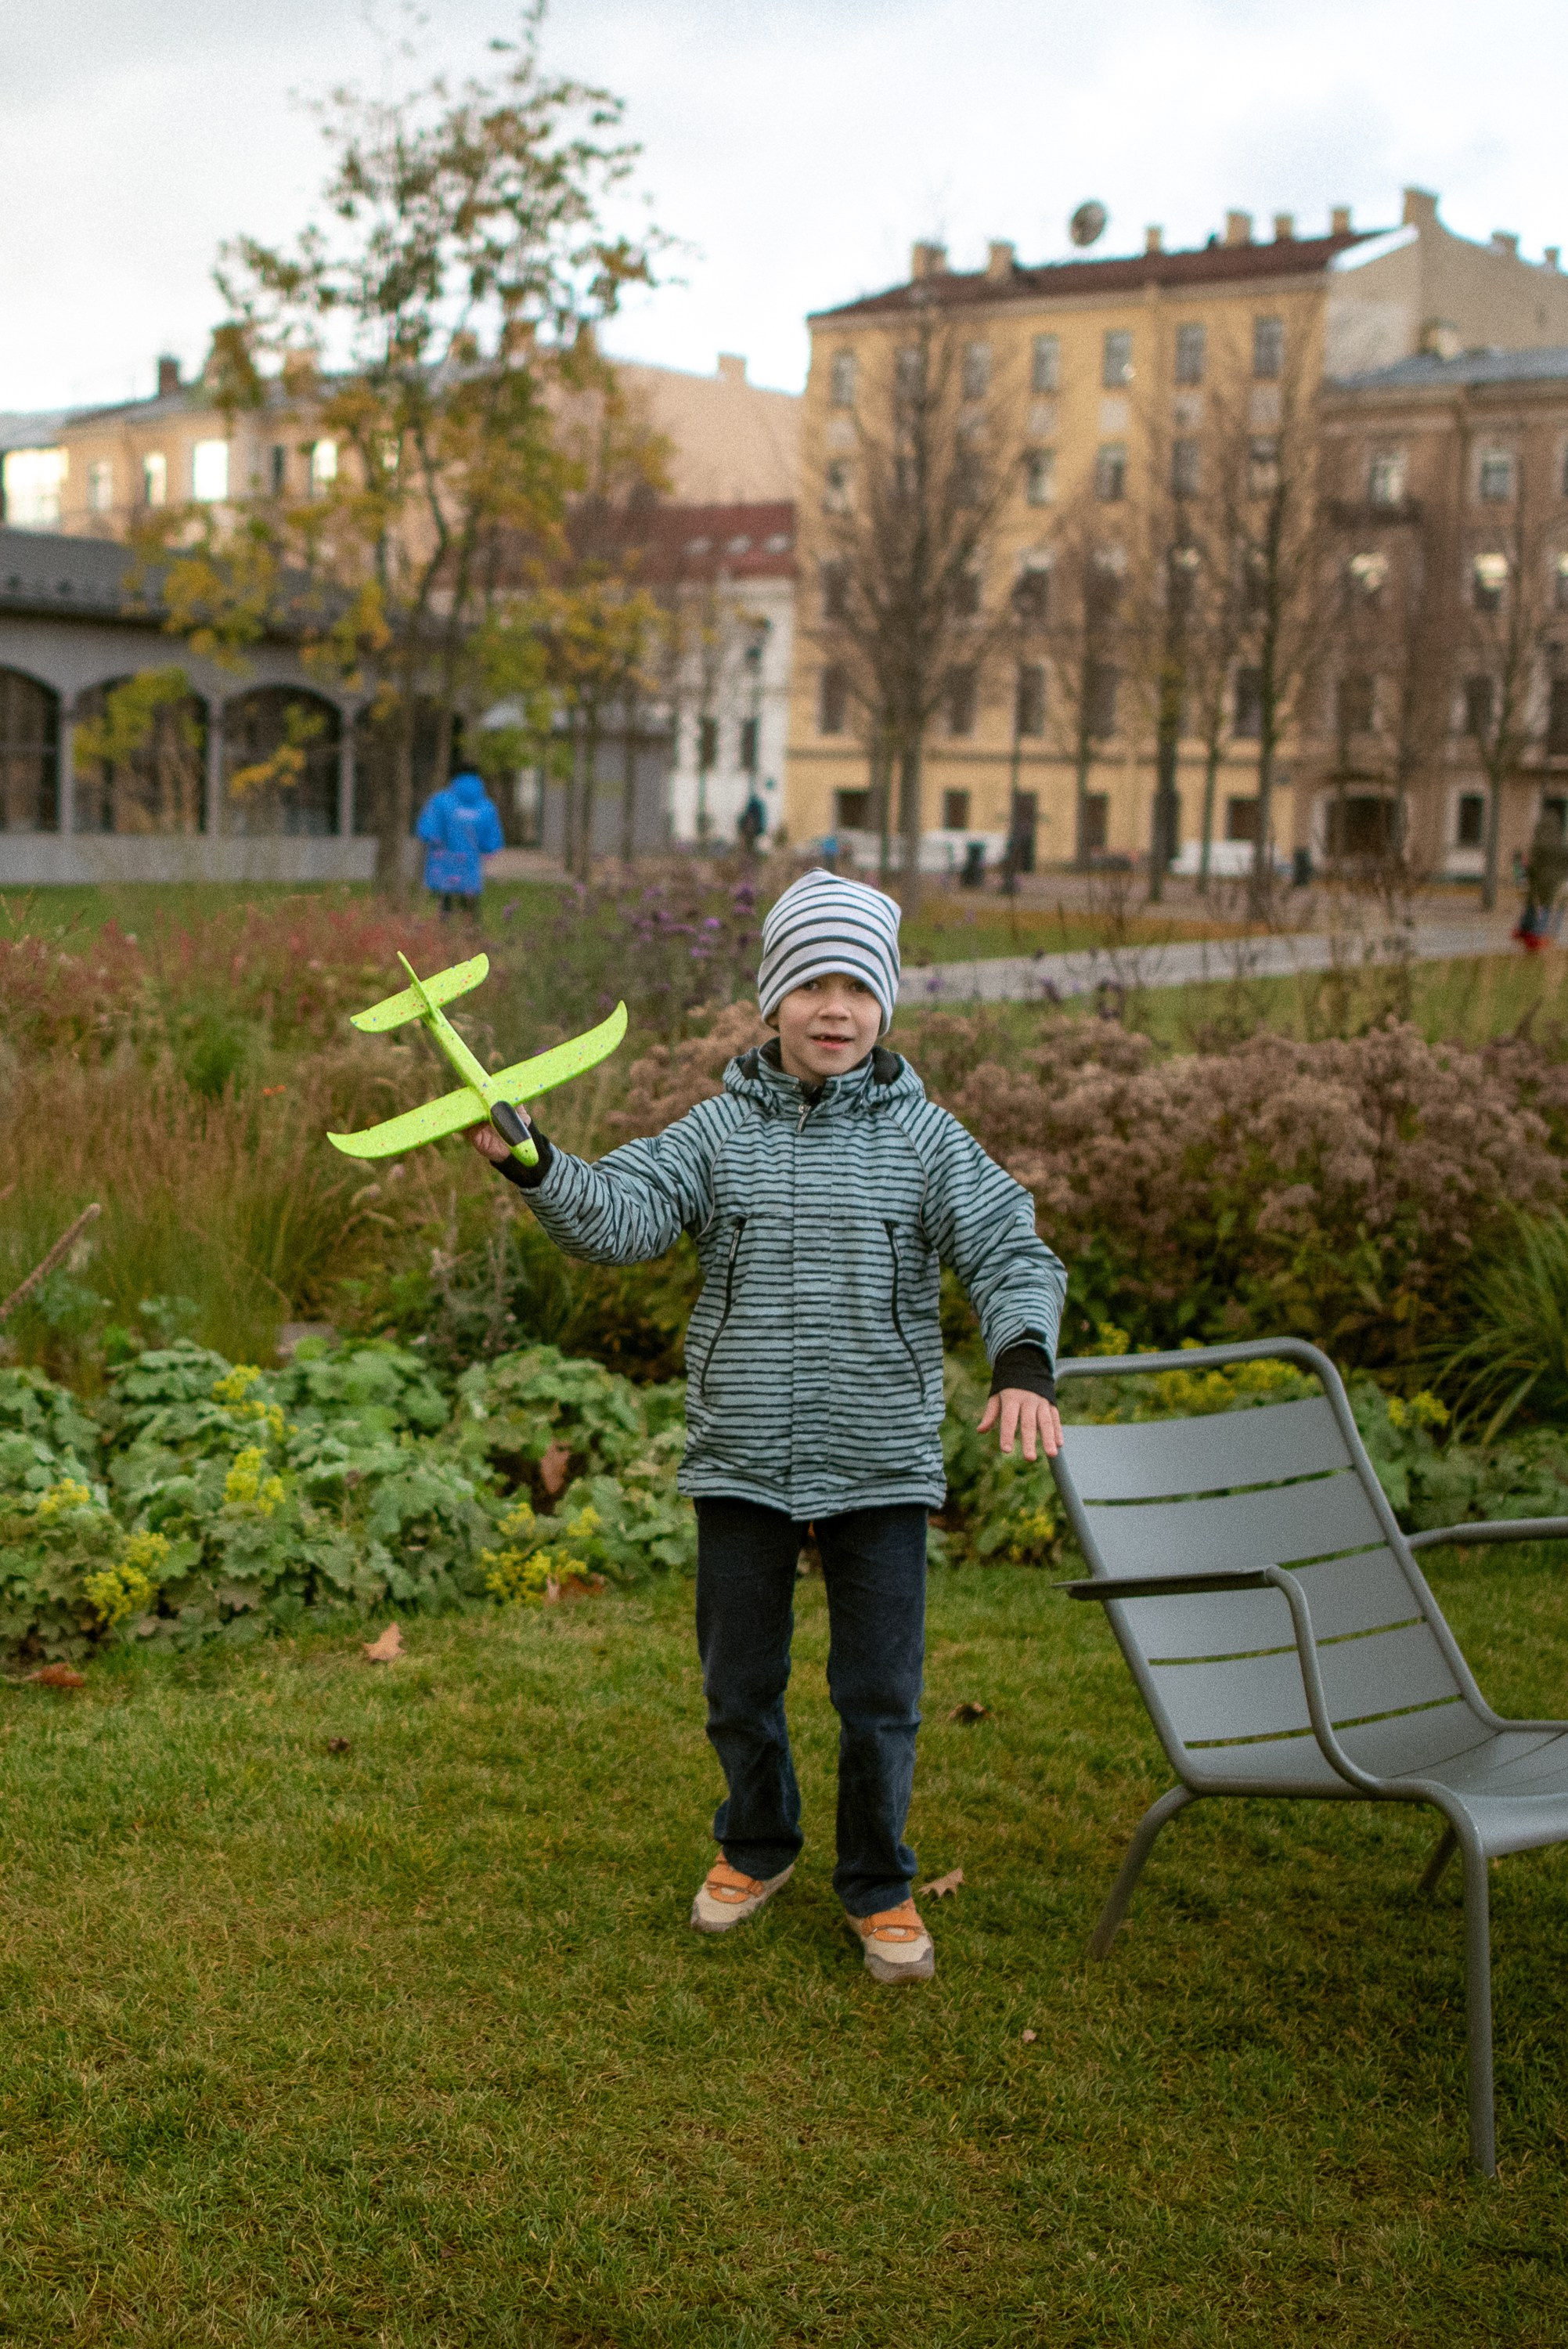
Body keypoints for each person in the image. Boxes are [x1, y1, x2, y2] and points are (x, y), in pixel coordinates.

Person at [468, 868, 1066, 1986]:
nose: (833, 1009)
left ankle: (878, 1884)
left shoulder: (924, 1140)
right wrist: (537, 1166)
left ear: (884, 1006)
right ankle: (755, 1845)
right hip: (741, 1457)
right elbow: (622, 1216)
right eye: (810, 986)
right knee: (736, 1684)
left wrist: (1022, 1358)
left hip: (878, 1460)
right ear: (770, 1001)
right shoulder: (716, 1131)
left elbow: (1008, 1248)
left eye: (856, 988)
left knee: (876, 1698)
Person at [416, 767, 504, 918]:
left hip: (444, 869)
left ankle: (444, 938)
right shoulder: (487, 807)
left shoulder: (440, 801)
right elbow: (491, 843)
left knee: (445, 909)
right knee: (470, 911)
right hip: (470, 870)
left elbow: (427, 831)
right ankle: (471, 937)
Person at [1514, 810, 1568, 953]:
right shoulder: (1560, 845)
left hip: (1538, 884)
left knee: (1536, 906)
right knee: (1553, 908)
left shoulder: (1537, 846)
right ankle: (1542, 935)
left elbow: (1530, 867)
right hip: (1555, 883)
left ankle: (1527, 930)